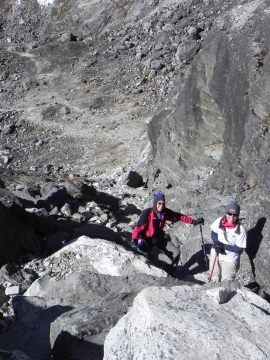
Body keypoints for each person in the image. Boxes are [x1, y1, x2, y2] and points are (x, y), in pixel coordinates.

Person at [130, 192, 204, 274]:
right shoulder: (147, 213)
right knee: (146, 260)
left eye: (163, 203)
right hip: (146, 241)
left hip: (159, 237)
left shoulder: (165, 212)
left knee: (176, 253)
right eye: (159, 203)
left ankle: (168, 272)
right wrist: (134, 239)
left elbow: (179, 216)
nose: (161, 206)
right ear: (155, 203)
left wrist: (193, 221)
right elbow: (138, 228)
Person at [209, 201, 247, 282]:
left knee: (226, 283)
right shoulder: (220, 221)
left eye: (235, 214)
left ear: (238, 215)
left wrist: (223, 246)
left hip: (229, 259)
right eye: (230, 213)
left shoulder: (241, 229)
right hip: (215, 254)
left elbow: (239, 249)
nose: (232, 216)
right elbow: (213, 232)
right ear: (226, 213)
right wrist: (216, 242)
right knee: (214, 278)